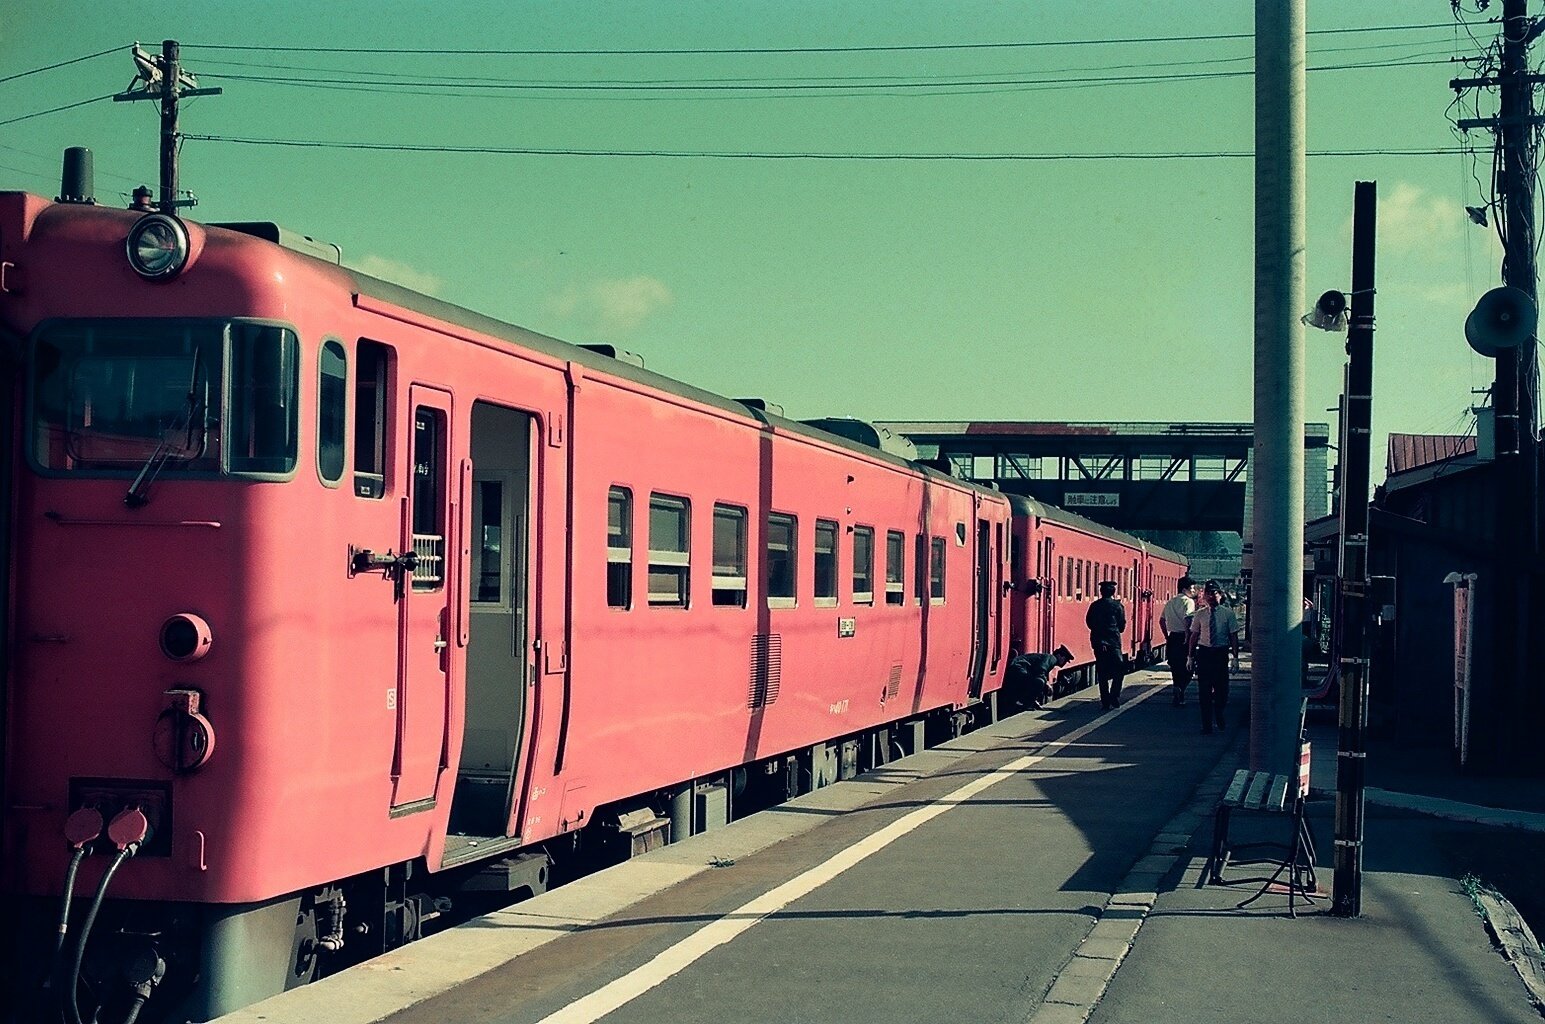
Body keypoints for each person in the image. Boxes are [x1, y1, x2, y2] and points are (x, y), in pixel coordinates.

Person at [1187, 579, 1241, 734]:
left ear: (1220, 595)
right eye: (1208, 593)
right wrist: (1190, 657)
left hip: (1220, 653)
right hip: (1204, 653)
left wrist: (1235, 658)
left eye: (1214, 593)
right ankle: (1207, 725)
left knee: (1222, 690)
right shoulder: (1200, 614)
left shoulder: (1228, 614)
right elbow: (1194, 635)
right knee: (1204, 691)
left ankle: (1219, 712)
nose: (1211, 596)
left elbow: (1233, 636)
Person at [1085, 579, 1127, 709]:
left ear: (1101, 592)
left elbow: (1089, 622)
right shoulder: (1117, 606)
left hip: (1098, 641)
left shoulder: (1094, 605)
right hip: (1113, 641)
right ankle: (1114, 696)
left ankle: (1105, 700)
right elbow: (1121, 625)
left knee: (1102, 672)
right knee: (1119, 670)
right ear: (1113, 592)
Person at [1159, 575, 1197, 706]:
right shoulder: (1188, 602)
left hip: (1172, 637)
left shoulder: (1170, 602)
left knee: (1175, 666)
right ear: (1185, 589)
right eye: (1192, 588)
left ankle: (1177, 690)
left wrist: (1166, 636)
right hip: (1184, 638)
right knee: (1188, 667)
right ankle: (1180, 688)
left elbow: (1161, 621)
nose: (1194, 591)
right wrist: (1188, 636)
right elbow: (1188, 620)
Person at [1006, 645, 1074, 709]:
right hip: (1019, 668)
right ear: (1060, 656)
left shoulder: (1049, 658)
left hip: (1018, 668)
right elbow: (1041, 670)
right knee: (1040, 681)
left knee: (1040, 681)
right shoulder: (1052, 659)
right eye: (1065, 659)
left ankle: (1029, 701)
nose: (1064, 663)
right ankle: (1026, 703)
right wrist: (1047, 683)